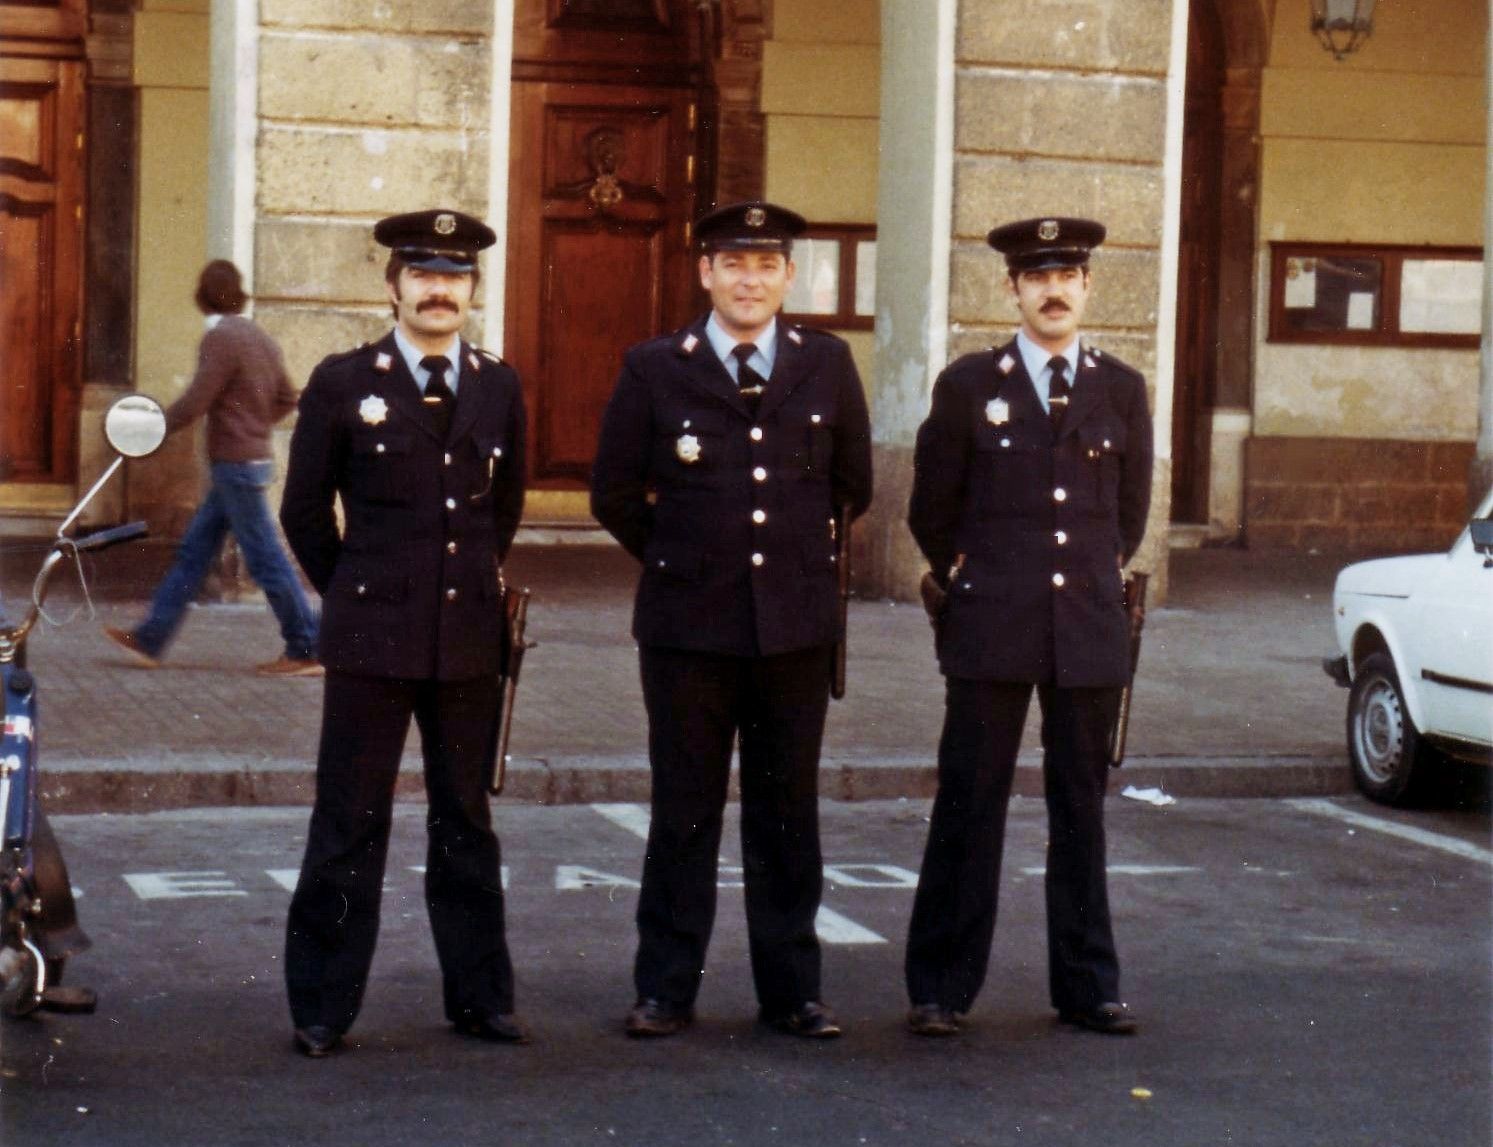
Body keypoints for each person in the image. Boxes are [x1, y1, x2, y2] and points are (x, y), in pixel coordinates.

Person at [591, 201, 873, 1040]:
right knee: (683, 811)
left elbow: (850, 483)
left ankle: (792, 991)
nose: (750, 279)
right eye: (732, 263)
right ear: (704, 273)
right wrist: (684, 556)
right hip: (687, 630)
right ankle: (665, 988)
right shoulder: (653, 367)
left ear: (789, 276)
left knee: (787, 815)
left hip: (793, 625)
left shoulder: (825, 364)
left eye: (766, 264)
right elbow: (612, 491)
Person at [278, 209, 528, 1057]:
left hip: (466, 638)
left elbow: (505, 508)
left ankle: (480, 998)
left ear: (471, 291)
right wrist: (358, 588)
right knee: (349, 817)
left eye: (454, 277)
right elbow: (304, 511)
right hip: (372, 637)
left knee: (466, 818)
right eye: (422, 274)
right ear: (393, 285)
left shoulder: (497, 385)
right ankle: (321, 1004)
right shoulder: (345, 379)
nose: (438, 289)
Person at [903, 216, 1154, 1038]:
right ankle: (940, 987)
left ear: (1086, 287)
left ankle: (1088, 985)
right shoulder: (970, 384)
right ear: (1010, 289)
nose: (1053, 290)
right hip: (991, 623)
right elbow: (931, 511)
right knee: (970, 802)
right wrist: (981, 578)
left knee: (1079, 807)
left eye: (1067, 275)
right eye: (1035, 276)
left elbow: (1127, 517)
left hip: (1084, 625)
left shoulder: (1119, 388)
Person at [102, 260, 320, 676]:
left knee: (265, 559)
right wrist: (254, 427)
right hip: (244, 464)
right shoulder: (259, 336)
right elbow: (288, 397)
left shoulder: (220, 338)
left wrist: (150, 429)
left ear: (202, 296)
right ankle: (151, 639)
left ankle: (306, 645)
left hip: (235, 466)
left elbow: (197, 399)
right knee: (195, 553)